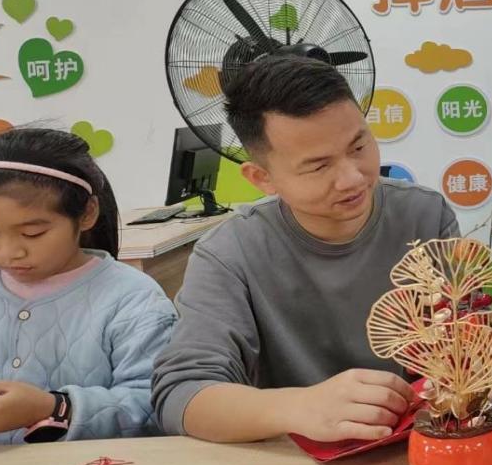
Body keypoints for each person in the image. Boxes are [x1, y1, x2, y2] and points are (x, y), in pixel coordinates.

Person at [151, 56, 459, 444]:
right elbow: (181, 395)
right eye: (318, 167)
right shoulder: (230, 254)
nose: (352, 178)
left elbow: (465, 342)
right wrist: (296, 407)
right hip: (295, 461)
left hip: (421, 446)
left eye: (359, 146)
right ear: (262, 178)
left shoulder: (425, 216)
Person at [0, 128, 176, 445]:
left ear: (87, 213)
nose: (8, 252)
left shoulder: (133, 299)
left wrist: (54, 408)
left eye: (32, 234)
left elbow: (158, 405)